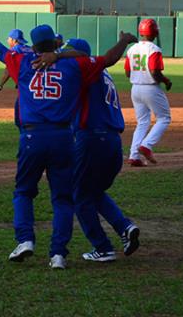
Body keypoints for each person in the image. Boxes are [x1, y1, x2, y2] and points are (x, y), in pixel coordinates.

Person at [0, 16, 133, 269]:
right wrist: (123, 40)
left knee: (24, 192)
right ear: (55, 45)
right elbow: (108, 59)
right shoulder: (75, 66)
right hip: (63, 138)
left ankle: (25, 240)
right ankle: (58, 254)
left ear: (33, 47)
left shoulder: (22, 61)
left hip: (32, 137)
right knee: (62, 199)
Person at [57, 38, 141, 262]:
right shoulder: (103, 73)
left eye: (69, 54)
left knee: (80, 196)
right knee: (93, 191)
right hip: (113, 141)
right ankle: (125, 228)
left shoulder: (85, 71)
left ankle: (102, 247)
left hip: (91, 138)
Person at [125, 18, 172, 166]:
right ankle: (146, 145)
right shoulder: (154, 49)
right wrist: (166, 81)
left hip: (135, 89)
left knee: (142, 122)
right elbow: (154, 72)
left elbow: (127, 72)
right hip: (150, 88)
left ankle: (134, 155)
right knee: (164, 118)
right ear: (155, 32)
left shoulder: (131, 49)